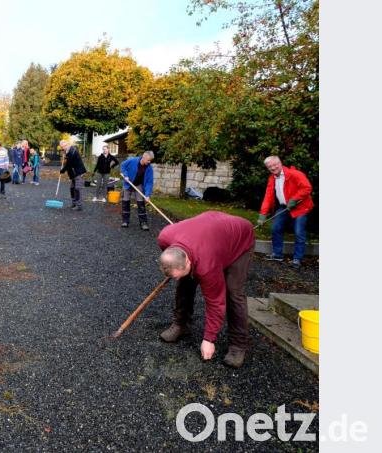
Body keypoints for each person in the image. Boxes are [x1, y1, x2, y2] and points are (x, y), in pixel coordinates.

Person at [157, 211, 255, 368]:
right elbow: (174, 262)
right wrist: (177, 273)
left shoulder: (206, 265)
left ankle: (238, 345)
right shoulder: (164, 237)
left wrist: (209, 339)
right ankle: (181, 324)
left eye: (176, 274)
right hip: (211, 232)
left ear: (188, 261)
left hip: (239, 239)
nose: (173, 278)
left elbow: (216, 302)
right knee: (184, 282)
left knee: (233, 292)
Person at [258, 156, 314, 269]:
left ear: (280, 163)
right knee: (275, 228)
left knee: (299, 232)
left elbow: (307, 188)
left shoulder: (295, 174)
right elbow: (268, 197)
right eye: (270, 166)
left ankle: (297, 259)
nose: (273, 168)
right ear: (267, 168)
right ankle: (277, 254)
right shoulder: (272, 178)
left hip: (300, 207)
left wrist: (294, 199)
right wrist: (262, 215)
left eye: (275, 164)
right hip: (284, 207)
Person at [120, 151, 154, 230]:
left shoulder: (149, 168)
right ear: (144, 157)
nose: (149, 162)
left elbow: (149, 182)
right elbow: (123, 165)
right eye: (148, 160)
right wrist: (126, 175)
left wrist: (147, 195)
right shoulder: (132, 161)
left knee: (141, 203)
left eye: (150, 160)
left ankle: (143, 222)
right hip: (128, 183)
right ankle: (125, 221)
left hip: (138, 185)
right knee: (125, 202)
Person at [59, 139, 87, 211]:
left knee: (77, 188)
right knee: (72, 188)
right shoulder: (67, 151)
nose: (62, 148)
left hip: (78, 172)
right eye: (62, 147)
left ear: (66, 144)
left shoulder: (72, 151)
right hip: (73, 173)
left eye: (63, 146)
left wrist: (63, 170)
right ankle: (74, 203)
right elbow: (68, 162)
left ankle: (79, 205)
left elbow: (69, 164)